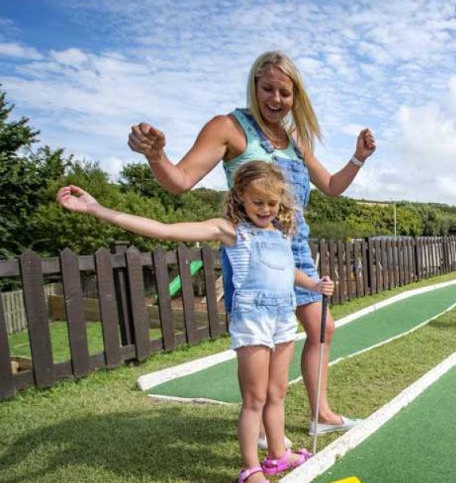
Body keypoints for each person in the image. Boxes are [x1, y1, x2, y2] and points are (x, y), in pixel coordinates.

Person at [127, 51, 374, 443]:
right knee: (262, 339)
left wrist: (358, 159)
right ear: (254, 86)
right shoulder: (228, 127)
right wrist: (156, 156)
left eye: (285, 92)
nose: (276, 99)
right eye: (268, 89)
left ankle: (320, 414)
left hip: (295, 247)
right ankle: (258, 423)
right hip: (255, 253)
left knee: (322, 328)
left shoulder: (295, 139)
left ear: (297, 97)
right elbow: (180, 181)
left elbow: (331, 187)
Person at [58, 161, 333, 483]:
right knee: (255, 399)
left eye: (272, 203)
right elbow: (165, 230)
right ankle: (251, 467)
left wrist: (315, 284)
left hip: (282, 320)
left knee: (277, 393)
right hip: (253, 322)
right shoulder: (229, 230)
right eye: (257, 202)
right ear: (241, 199)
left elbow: (288, 272)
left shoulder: (279, 233)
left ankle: (278, 455)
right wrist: (97, 209)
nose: (265, 209)